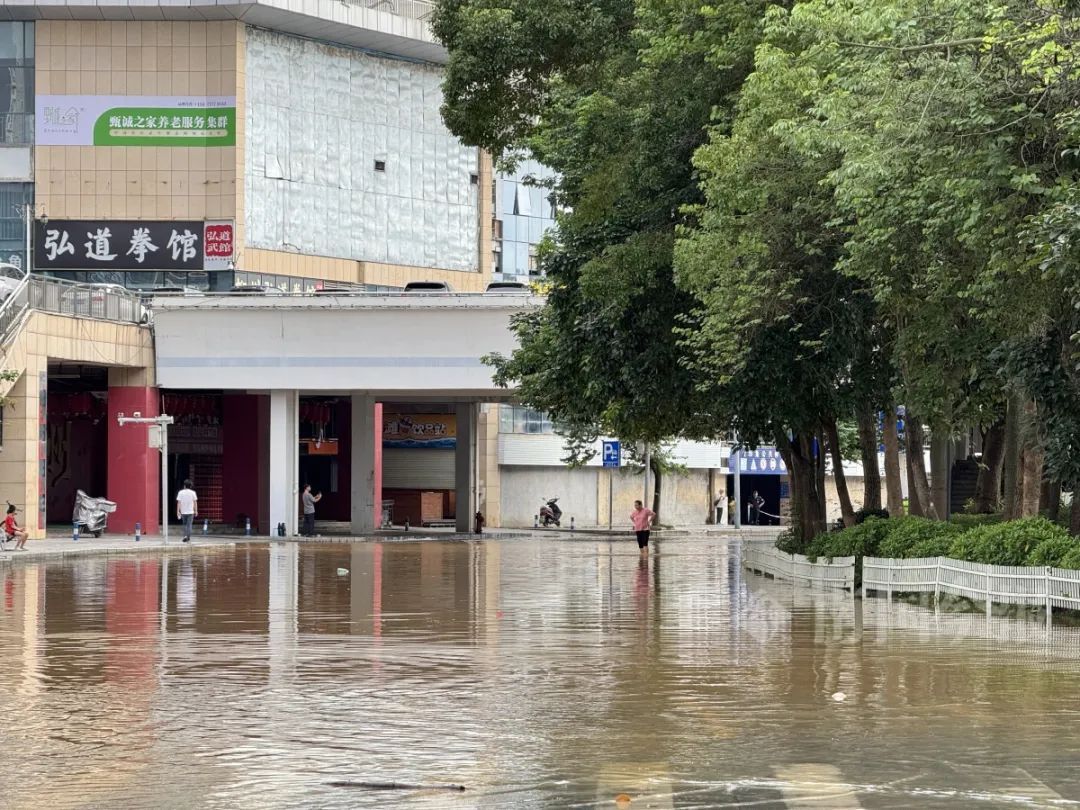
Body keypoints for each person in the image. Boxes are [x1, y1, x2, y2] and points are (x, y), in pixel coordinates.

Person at [176, 479, 198, 543]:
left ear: (184, 485)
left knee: (184, 524)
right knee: (189, 525)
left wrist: (178, 511)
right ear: (190, 486)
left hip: (183, 511)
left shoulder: (180, 492)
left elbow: (179, 502)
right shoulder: (193, 493)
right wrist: (196, 511)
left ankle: (185, 536)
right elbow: (195, 502)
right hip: (191, 512)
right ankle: (188, 537)